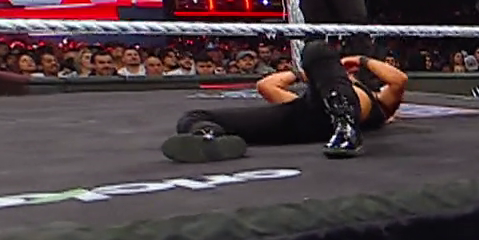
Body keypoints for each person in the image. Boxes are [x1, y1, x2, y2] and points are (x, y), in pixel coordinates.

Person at [162, 40, 405, 162]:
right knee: (193, 117)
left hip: (342, 119)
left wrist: (360, 60)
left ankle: (346, 128)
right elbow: (266, 86)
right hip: (305, 119)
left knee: (317, 48)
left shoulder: (378, 103)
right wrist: (305, 74)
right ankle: (207, 138)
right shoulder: (309, 101)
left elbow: (399, 80)